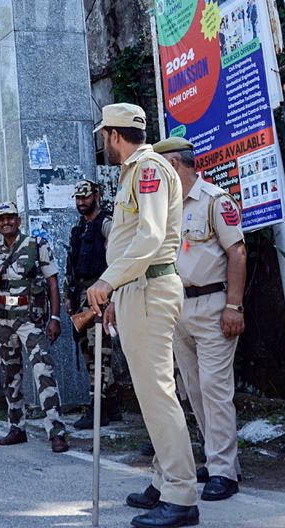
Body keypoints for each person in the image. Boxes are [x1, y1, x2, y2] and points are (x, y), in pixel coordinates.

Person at [86, 104, 198, 528]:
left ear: (114, 135)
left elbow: (150, 236)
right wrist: (119, 287)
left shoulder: (148, 169)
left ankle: (182, 494)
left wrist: (108, 281)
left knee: (158, 394)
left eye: (104, 135)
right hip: (138, 288)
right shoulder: (136, 171)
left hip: (149, 287)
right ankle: (164, 478)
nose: (104, 142)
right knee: (153, 393)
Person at [155, 137, 247, 502]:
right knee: (192, 389)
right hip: (178, 308)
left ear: (175, 165)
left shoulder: (214, 201)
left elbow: (237, 252)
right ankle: (218, 457)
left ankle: (225, 471)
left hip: (212, 304)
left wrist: (234, 306)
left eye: (162, 169)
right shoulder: (165, 207)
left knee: (215, 389)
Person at [0, 201, 68, 452]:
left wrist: (55, 318)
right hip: (3, 320)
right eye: (0, 219)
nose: (5, 222)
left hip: (30, 320)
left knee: (43, 372)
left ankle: (57, 431)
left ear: (18, 220)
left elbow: (52, 282)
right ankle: (17, 427)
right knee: (11, 376)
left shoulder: (36, 245)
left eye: (10, 218)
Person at [65, 179, 123, 430]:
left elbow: (118, 259)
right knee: (88, 350)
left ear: (96, 196)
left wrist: (114, 295)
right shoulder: (79, 229)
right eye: (78, 199)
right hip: (81, 296)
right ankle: (111, 406)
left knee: (100, 351)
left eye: (85, 198)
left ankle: (97, 408)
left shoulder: (107, 224)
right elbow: (72, 265)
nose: (81, 203)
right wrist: (69, 295)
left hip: (101, 295)